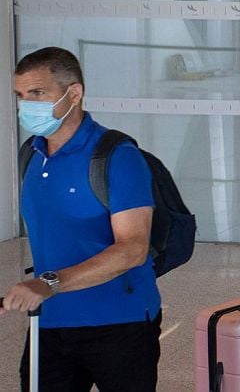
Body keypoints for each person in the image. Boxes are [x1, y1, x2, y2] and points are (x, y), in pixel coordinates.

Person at [1, 47, 161, 392]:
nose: (26, 105)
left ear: (74, 93)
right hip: (50, 321)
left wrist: (50, 283)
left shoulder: (117, 157)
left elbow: (133, 248)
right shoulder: (32, 153)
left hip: (120, 323)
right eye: (21, 95)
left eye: (38, 93)